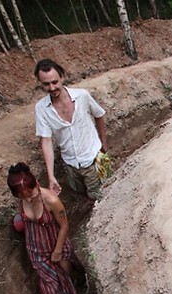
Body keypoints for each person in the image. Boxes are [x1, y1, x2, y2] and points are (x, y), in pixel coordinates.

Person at [7, 162, 87, 294]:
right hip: (36, 250)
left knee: (67, 271)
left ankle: (80, 279)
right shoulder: (24, 199)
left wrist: (58, 251)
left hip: (56, 244)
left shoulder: (51, 200)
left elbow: (64, 225)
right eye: (22, 197)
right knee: (50, 287)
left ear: (35, 183)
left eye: (30, 194)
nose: (28, 199)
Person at [34, 58, 108, 200]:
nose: (52, 88)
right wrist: (51, 177)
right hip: (70, 164)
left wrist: (103, 143)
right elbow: (46, 141)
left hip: (92, 160)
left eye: (54, 82)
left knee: (97, 196)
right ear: (40, 83)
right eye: (46, 84)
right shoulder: (41, 109)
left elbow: (99, 115)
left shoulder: (82, 96)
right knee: (78, 194)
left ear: (62, 77)